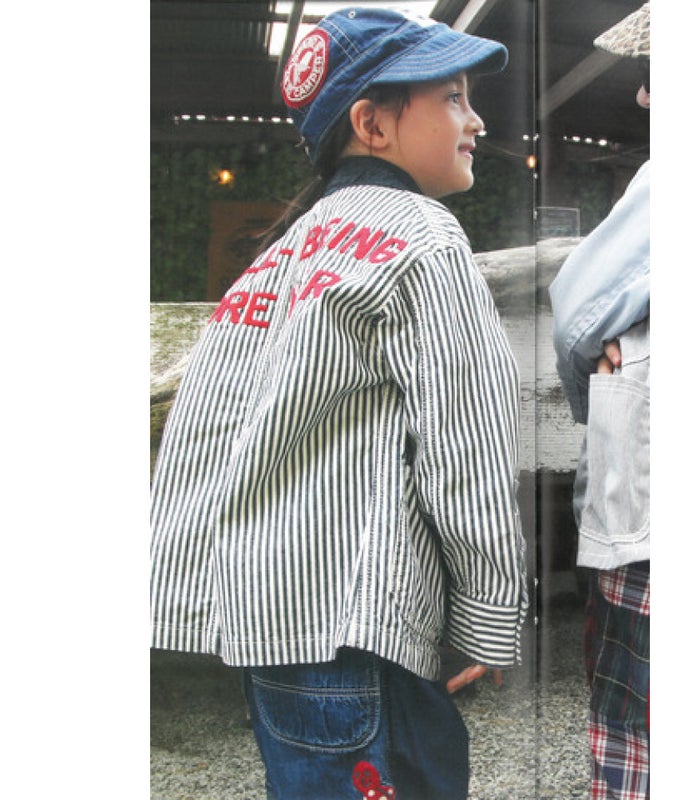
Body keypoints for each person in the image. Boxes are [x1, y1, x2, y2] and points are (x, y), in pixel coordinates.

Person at [150, 7, 528, 799]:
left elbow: (202, 437)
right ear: (372, 124)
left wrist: (190, 594)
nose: (477, 119)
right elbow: (468, 445)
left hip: (269, 626)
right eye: (453, 97)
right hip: (359, 629)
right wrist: (488, 619)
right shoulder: (423, 238)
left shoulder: (274, 261)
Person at [548, 3, 651, 799]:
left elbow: (578, 310)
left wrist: (605, 379)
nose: (644, 96)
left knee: (635, 729)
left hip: (651, 517)